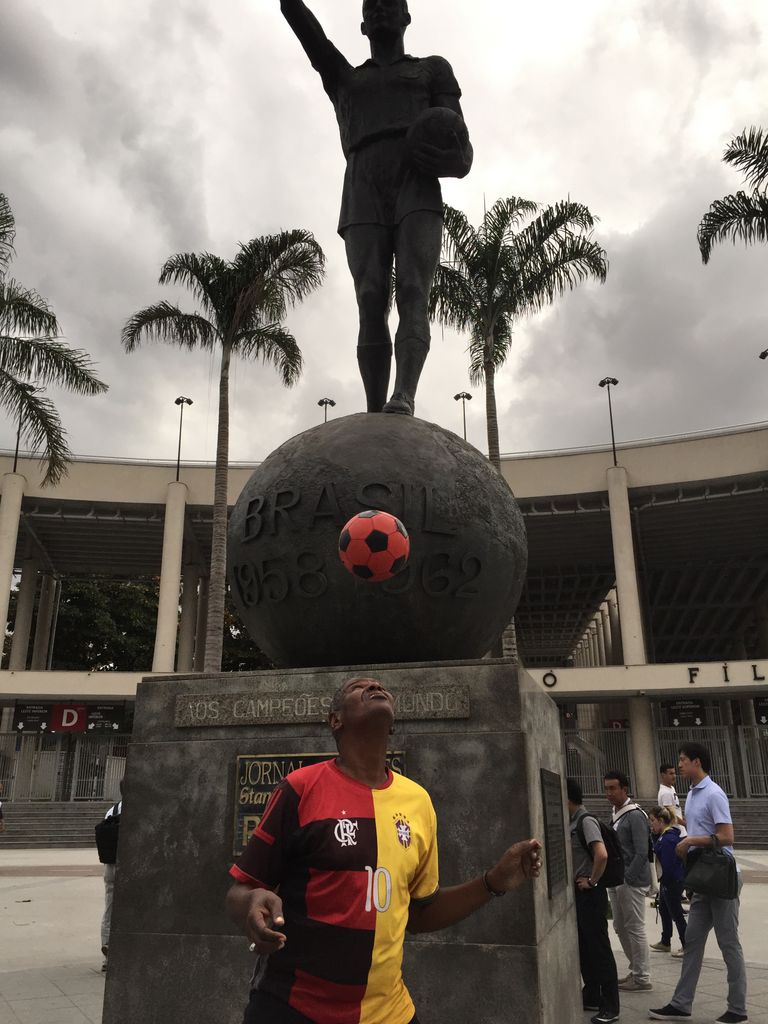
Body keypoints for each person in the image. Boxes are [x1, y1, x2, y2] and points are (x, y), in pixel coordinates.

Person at [226, 676, 541, 1024]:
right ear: (335, 720)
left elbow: (419, 913)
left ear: (392, 726)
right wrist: (252, 904)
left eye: (380, 686)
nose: (375, 686)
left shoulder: (418, 801)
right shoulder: (300, 789)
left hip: (390, 1012)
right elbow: (241, 889)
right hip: (293, 1008)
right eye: (358, 688)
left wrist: (492, 881)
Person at [278, 0, 473, 417]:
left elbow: (462, 151)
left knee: (413, 291)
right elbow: (310, 35)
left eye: (390, 4)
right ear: (362, 24)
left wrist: (449, 160)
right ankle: (373, 411)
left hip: (415, 183)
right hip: (362, 182)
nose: (381, 9)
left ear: (407, 17)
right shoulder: (345, 79)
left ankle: (403, 394)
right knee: (370, 297)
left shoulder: (432, 69)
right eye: (372, 6)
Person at [649, 742, 748, 1024]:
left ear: (696, 762)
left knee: (728, 942)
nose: (678, 765)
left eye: (682, 760)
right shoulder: (691, 794)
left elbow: (727, 836)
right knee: (692, 941)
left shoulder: (714, 793)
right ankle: (681, 1004)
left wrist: (691, 840)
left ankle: (738, 1009)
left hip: (721, 877)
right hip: (703, 877)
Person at [566, 778, 620, 1024]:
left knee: (598, 949)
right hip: (580, 894)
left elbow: (601, 854)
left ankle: (611, 1006)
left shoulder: (585, 821)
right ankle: (593, 995)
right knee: (586, 947)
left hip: (590, 894)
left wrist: (592, 880)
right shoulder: (573, 822)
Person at [603, 770, 652, 992]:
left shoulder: (634, 815)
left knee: (634, 927)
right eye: (606, 788)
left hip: (630, 880)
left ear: (625, 789)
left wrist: (628, 877)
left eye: (613, 788)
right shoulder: (615, 813)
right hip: (616, 880)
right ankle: (635, 969)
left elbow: (642, 852)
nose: (609, 793)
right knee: (620, 925)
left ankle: (642, 977)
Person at [648, 806, 686, 957]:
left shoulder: (669, 838)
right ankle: (665, 941)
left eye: (653, 821)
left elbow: (669, 865)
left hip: (671, 881)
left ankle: (687, 943)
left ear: (661, 820)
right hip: (667, 881)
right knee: (664, 910)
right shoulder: (664, 836)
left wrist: (666, 884)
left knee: (676, 913)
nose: (651, 825)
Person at [99, 782, 123, 972]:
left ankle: (107, 946)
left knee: (110, 907)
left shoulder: (111, 811)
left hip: (110, 865)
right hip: (127, 866)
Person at [657, 764, 686, 833]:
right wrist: (685, 824)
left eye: (674, 773)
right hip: (674, 831)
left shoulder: (671, 788)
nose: (674, 776)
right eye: (671, 774)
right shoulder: (665, 793)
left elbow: (676, 808)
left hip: (680, 829)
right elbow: (670, 815)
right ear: (663, 775)